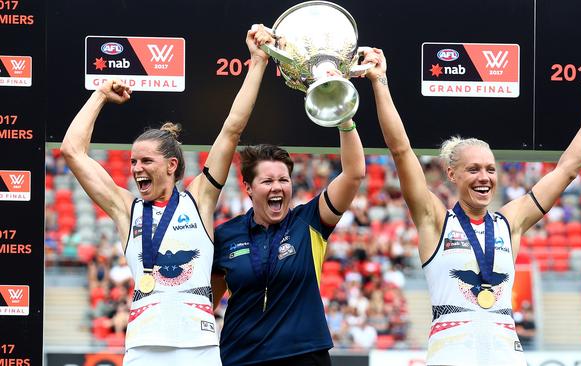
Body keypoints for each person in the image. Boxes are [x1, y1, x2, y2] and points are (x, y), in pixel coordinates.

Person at [363, 48, 581, 365]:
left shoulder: (511, 222)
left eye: (491, 169)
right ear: (451, 174)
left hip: (506, 353)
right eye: (474, 169)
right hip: (451, 354)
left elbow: (566, 170)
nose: (484, 178)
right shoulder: (435, 220)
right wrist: (379, 81)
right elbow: (400, 150)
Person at [60, 25, 274, 365]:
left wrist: (258, 62)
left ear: (172, 164)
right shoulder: (126, 210)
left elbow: (232, 127)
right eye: (132, 161)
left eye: (146, 160)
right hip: (143, 348)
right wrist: (100, 93)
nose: (136, 168)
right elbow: (72, 151)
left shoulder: (199, 199)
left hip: (199, 349)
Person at [212, 121, 365, 363]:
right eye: (267, 181)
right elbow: (205, 302)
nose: (277, 187)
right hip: (240, 357)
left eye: (284, 180)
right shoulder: (225, 235)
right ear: (248, 188)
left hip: (304, 355)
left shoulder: (310, 220)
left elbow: (354, 174)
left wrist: (345, 122)